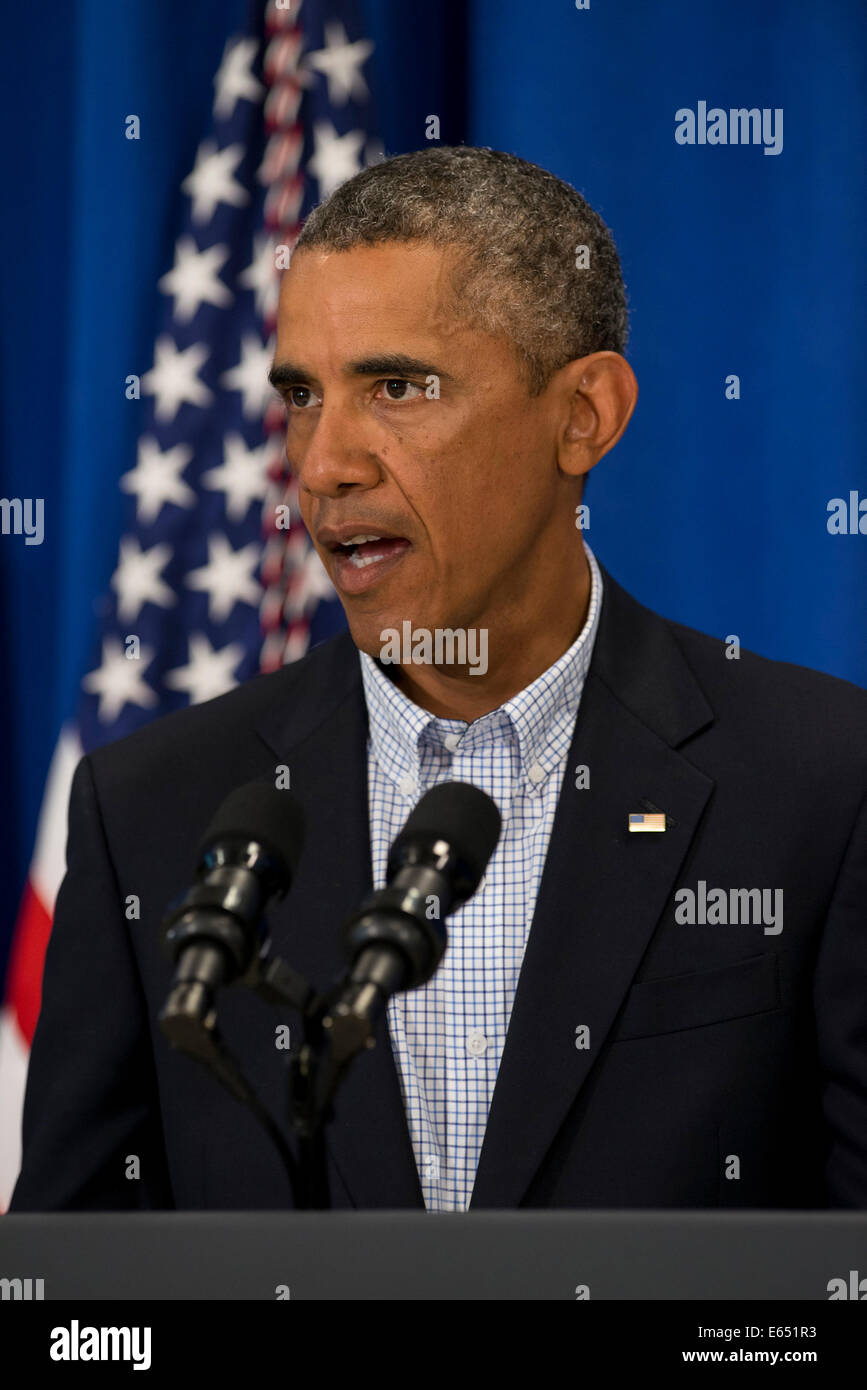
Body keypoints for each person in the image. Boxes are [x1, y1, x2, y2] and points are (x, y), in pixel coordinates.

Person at [11, 147, 867, 1212]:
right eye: (301, 396)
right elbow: (79, 1305)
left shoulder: (823, 784)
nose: (325, 463)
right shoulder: (149, 809)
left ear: (584, 414)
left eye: (397, 387)